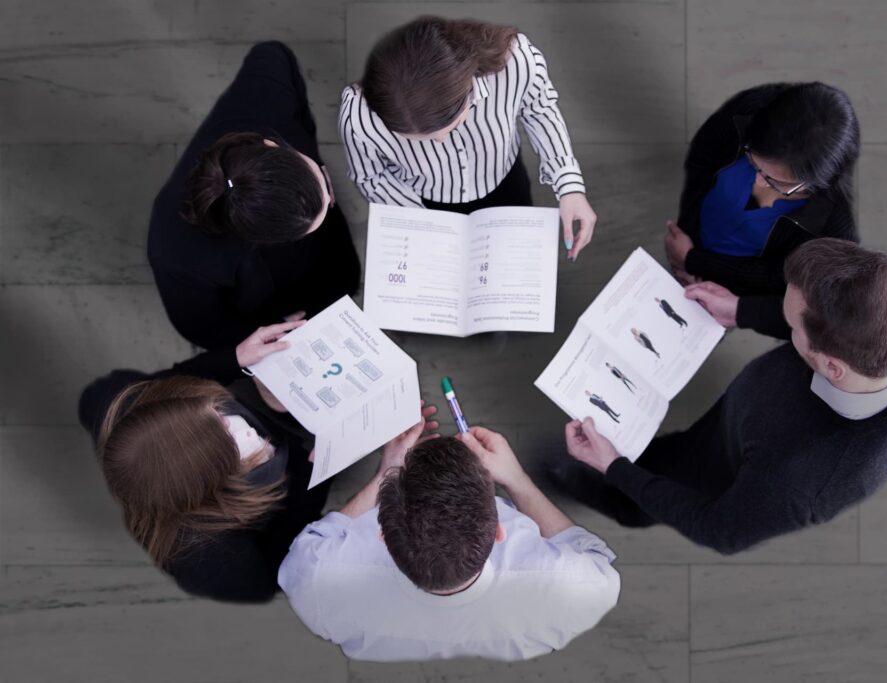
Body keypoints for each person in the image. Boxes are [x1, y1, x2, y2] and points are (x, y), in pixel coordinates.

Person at [553, 239, 887, 555]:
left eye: (792, 323)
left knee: (637, 494)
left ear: (832, 367)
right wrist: (740, 311)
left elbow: (719, 530)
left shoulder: (799, 484)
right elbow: (818, 321)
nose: (784, 318)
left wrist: (615, 467)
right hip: (736, 419)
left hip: (715, 472)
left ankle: (578, 479)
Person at [279, 421, 620, 661]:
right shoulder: (575, 587)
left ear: (383, 535)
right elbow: (590, 553)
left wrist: (387, 471)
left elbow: (317, 540)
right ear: (499, 531)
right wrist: (518, 480)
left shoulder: (317, 578)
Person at [78, 320, 334, 602]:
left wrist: (235, 358)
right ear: (215, 489)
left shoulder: (118, 403)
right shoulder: (209, 560)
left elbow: (175, 382)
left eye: (219, 418)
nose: (246, 430)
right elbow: (266, 578)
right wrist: (314, 479)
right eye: (234, 450)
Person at [149, 41, 361, 355]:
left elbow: (273, 53)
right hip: (269, 302)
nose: (333, 199)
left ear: (273, 145)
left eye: (322, 180)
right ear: (268, 239)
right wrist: (264, 334)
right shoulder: (180, 256)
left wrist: (302, 119)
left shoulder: (270, 93)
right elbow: (202, 327)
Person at [339, 16, 597, 261]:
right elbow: (372, 176)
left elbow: (539, 109)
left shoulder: (517, 61)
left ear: (467, 88)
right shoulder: (359, 113)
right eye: (418, 138)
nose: (439, 143)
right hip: (424, 202)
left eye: (450, 127)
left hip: (505, 184)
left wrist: (569, 185)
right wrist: (423, 224)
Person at [665, 82, 860, 339]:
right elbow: (701, 163)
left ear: (818, 182)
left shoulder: (833, 229)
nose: (758, 181)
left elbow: (780, 280)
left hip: (737, 284)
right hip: (694, 240)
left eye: (776, 182)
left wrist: (697, 263)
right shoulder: (747, 113)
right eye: (753, 162)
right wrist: (686, 235)